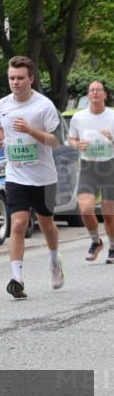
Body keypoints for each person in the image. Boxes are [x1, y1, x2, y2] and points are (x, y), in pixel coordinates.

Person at [0, 56, 65, 298]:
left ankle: (54, 262)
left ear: (31, 79)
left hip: (44, 177)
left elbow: (56, 141)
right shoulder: (2, 105)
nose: (15, 82)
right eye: (12, 78)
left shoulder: (44, 106)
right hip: (16, 175)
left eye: (20, 78)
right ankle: (17, 279)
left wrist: (30, 130)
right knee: (18, 224)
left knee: (47, 225)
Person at [67, 80, 114, 263]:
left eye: (98, 90)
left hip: (109, 166)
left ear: (105, 95)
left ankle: (112, 246)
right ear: (88, 94)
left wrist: (112, 138)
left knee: (109, 214)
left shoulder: (112, 116)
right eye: (92, 90)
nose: (95, 92)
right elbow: (71, 139)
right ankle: (96, 241)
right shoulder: (79, 117)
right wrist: (77, 144)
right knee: (85, 209)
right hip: (88, 166)